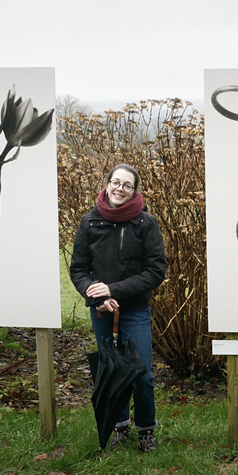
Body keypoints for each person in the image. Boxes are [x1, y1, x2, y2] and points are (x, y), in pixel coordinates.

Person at [70, 164, 167, 452]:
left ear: (135, 190)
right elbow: (78, 269)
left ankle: (146, 430)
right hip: (101, 311)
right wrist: (99, 298)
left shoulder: (146, 223)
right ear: (107, 184)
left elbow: (155, 271)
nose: (120, 189)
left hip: (134, 309)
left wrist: (114, 290)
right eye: (116, 182)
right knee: (111, 371)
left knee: (141, 373)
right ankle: (119, 427)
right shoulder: (90, 222)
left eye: (127, 185)